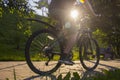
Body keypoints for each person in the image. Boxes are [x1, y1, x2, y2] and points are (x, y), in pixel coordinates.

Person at [49, 0, 97, 65]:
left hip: (52, 9)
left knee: (66, 30)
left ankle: (61, 46)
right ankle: (64, 57)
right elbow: (86, 3)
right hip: (62, 11)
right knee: (74, 33)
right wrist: (94, 15)